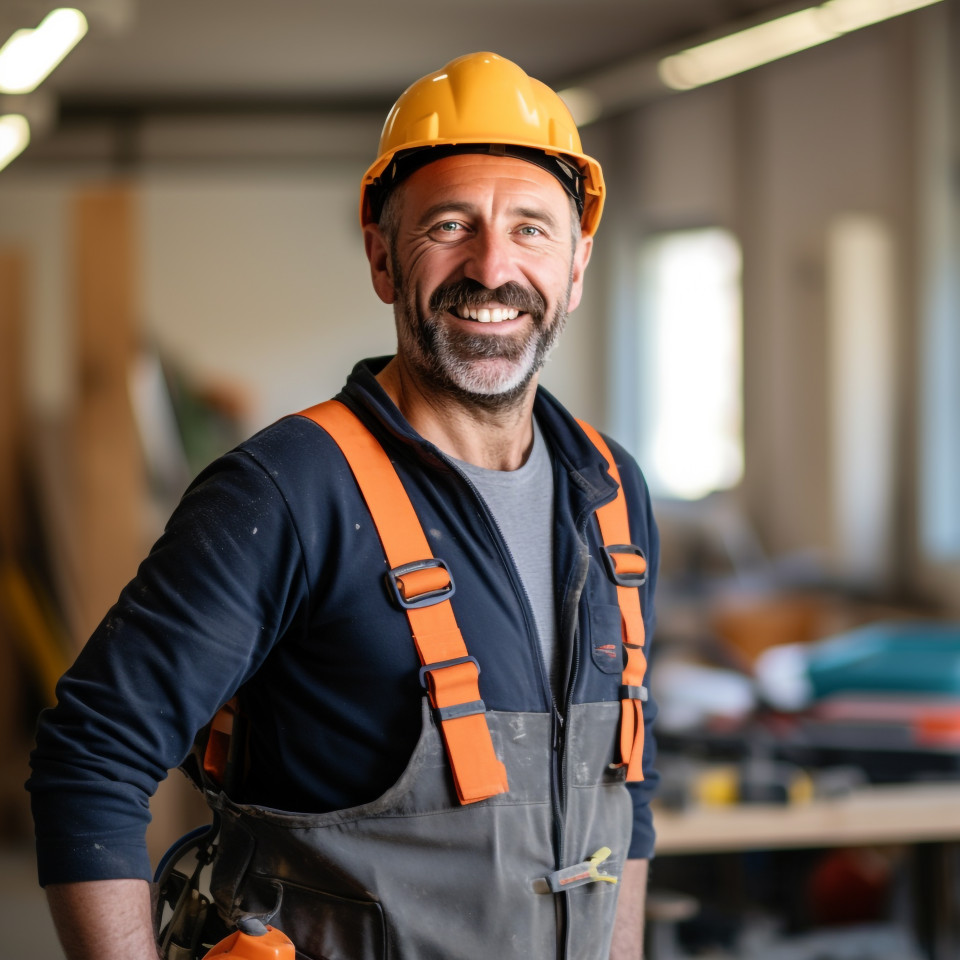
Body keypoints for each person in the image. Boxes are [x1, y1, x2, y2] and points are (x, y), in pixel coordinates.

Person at [28, 51, 659, 960]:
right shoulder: (289, 492)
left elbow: (624, 792)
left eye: (531, 229)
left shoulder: (612, 491)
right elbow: (90, 761)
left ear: (576, 266)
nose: (493, 266)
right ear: (381, 257)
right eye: (451, 224)